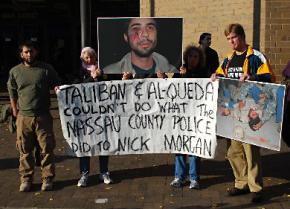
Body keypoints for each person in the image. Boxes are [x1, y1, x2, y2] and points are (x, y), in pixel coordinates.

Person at [211, 23, 272, 203]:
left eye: (233, 38)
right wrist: (215, 76)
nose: (231, 42)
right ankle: (241, 183)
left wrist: (252, 78)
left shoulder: (256, 56)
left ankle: (256, 188)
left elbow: (269, 78)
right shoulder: (228, 59)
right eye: (228, 39)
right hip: (232, 113)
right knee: (233, 151)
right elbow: (220, 75)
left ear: (242, 36)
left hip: (251, 112)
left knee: (251, 151)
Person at [7, 40, 61, 192]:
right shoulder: (15, 71)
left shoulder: (46, 69)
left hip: (43, 116)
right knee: (24, 150)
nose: (29, 54)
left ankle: (47, 178)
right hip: (24, 117)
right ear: (21, 54)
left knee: (47, 149)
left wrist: (57, 88)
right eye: (26, 52)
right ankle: (26, 179)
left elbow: (57, 85)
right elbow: (12, 92)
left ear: (36, 52)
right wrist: (15, 112)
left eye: (31, 51)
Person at [170, 45, 206, 189]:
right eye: (190, 56)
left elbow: (200, 87)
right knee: (180, 147)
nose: (192, 59)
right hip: (181, 116)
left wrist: (187, 76)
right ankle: (179, 176)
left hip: (196, 117)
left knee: (194, 148)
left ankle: (194, 178)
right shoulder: (179, 71)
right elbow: (171, 89)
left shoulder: (203, 72)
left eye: (195, 57)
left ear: (199, 59)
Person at [76, 47, 112, 187]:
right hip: (85, 115)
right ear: (82, 59)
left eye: (91, 57)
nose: (89, 59)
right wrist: (92, 77)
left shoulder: (103, 71)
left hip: (102, 113)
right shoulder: (79, 72)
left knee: (103, 143)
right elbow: (78, 87)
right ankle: (84, 174)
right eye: (86, 57)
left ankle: (104, 171)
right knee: (86, 145)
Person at [103, 18, 178, 75]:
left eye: (150, 27)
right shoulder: (109, 73)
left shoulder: (174, 73)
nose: (145, 34)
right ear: (126, 37)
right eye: (136, 28)